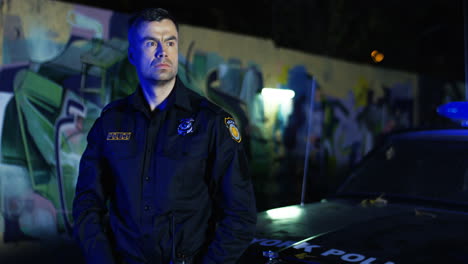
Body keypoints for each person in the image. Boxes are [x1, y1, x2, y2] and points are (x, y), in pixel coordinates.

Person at [72, 8, 257, 264]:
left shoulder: (211, 122)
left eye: (170, 41)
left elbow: (240, 215)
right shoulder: (111, 121)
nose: (163, 51)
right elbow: (87, 203)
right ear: (132, 54)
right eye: (151, 42)